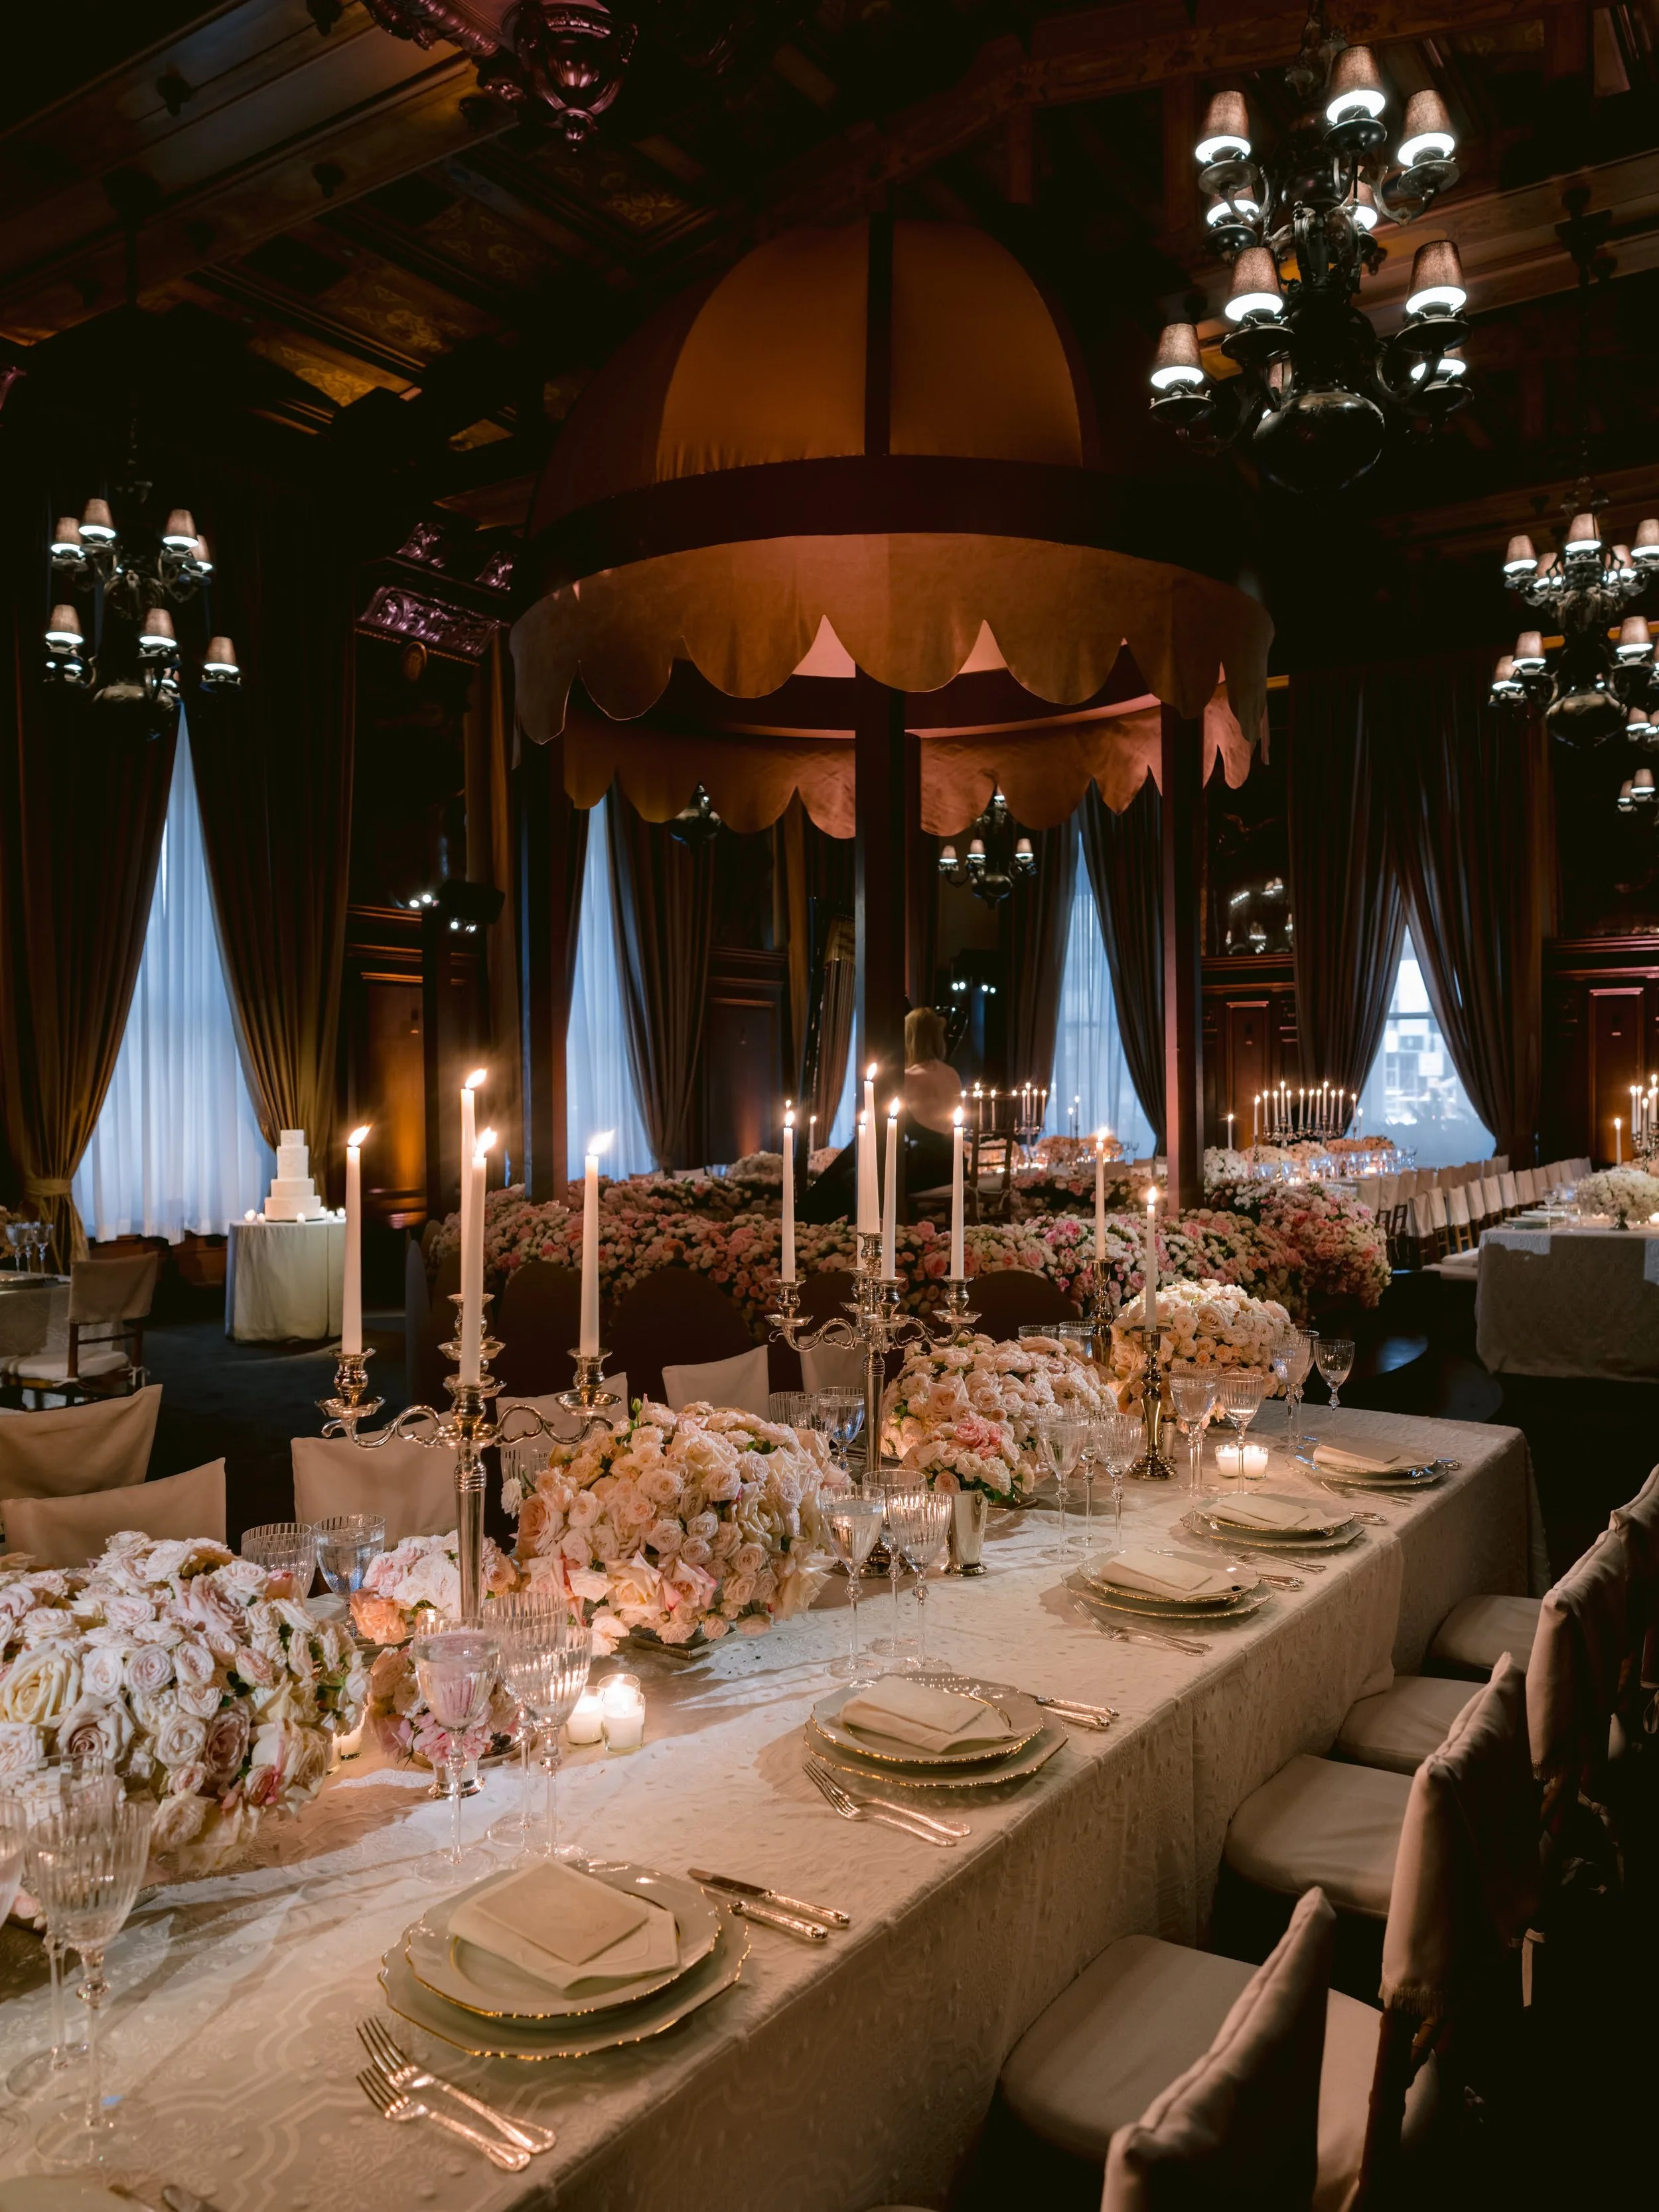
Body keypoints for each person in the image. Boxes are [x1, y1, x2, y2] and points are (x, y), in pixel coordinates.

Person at [796, 1007, 962, 1223]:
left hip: (924, 1168)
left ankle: (814, 1220)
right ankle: (810, 1217)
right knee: (856, 1161)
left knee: (852, 1176)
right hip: (950, 1164)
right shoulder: (952, 1073)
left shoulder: (909, 1077)